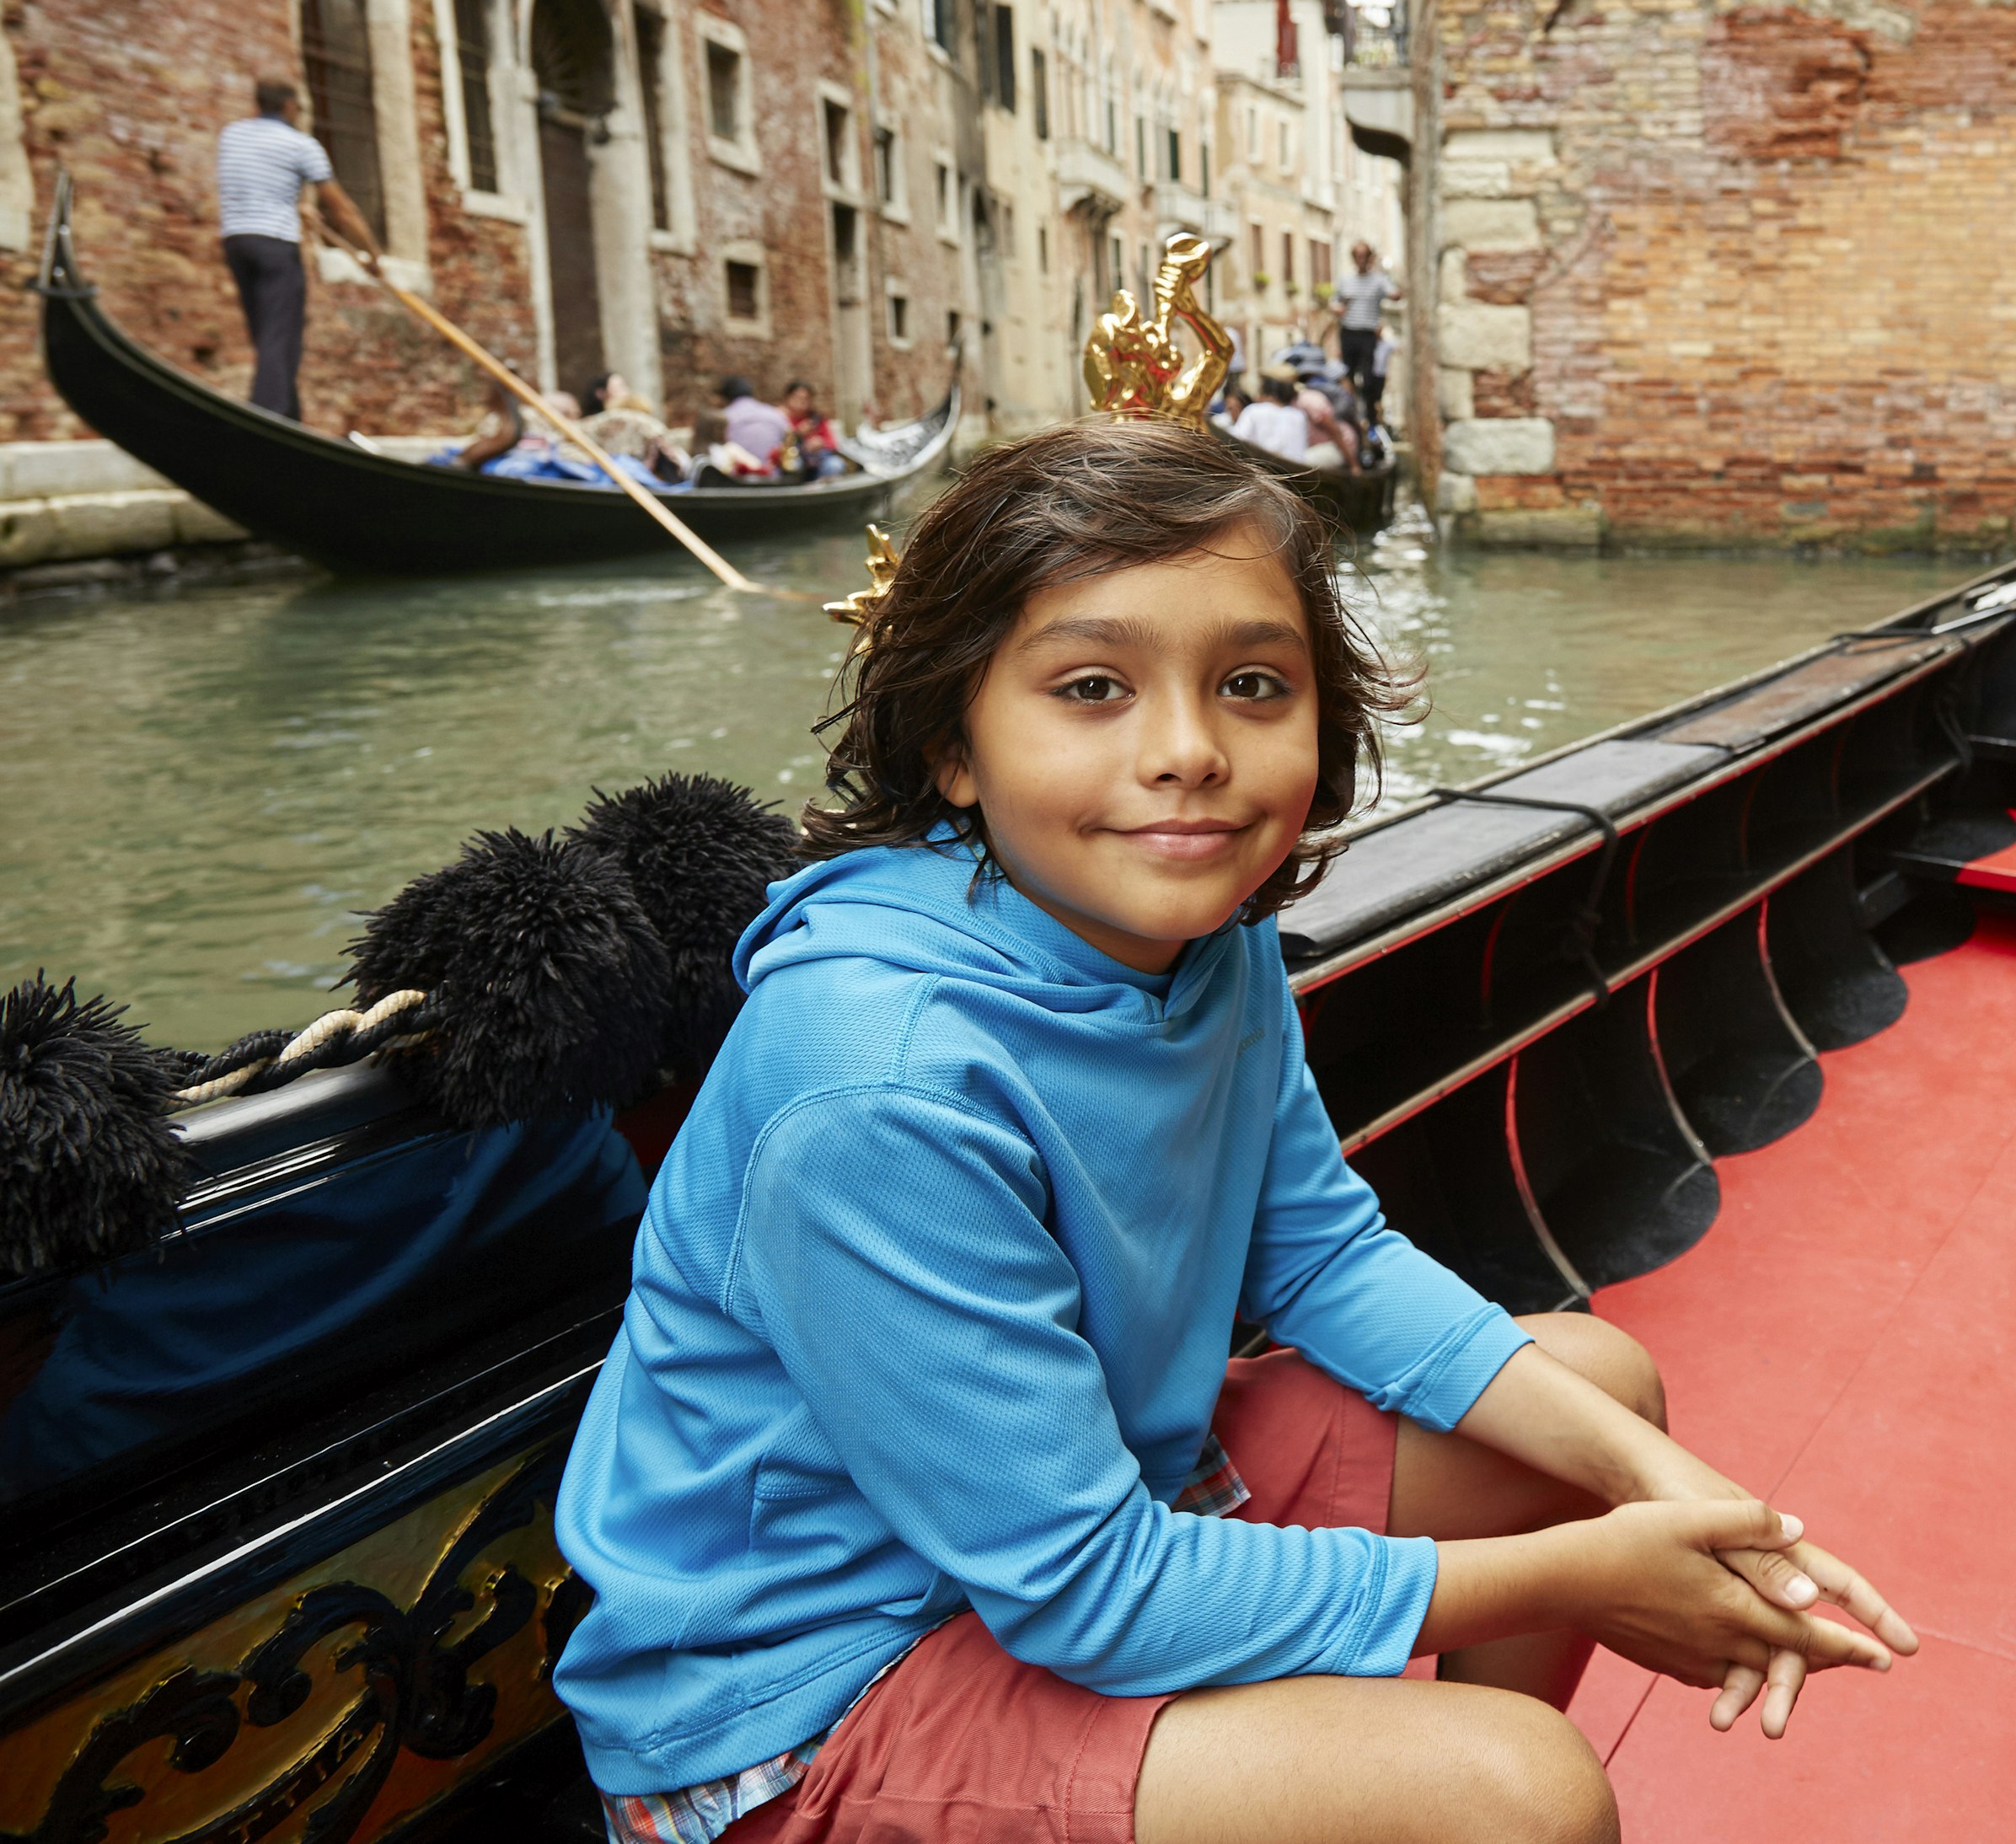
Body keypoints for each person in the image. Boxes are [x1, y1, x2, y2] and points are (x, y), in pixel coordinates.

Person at [551, 421, 1916, 1844]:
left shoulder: (1200, 931)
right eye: (1094, 688)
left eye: (1252, 685)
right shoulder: (877, 1090)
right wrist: (1586, 1573)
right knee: (1525, 1794)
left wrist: (1664, 1493)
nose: (1190, 753)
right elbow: (1089, 1590)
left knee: (1602, 1395)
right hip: (807, 1701)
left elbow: (1320, 1256)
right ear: (957, 744)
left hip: (1089, 1507)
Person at [217, 78, 380, 426]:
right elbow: (342, 210)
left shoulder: (232, 136)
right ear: (289, 106)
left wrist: (297, 207)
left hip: (237, 242)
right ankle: (267, 421)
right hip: (276, 245)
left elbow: (257, 186)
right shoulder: (300, 145)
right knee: (280, 336)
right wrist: (372, 254)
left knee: (267, 334)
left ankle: (290, 419)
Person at [1332, 242, 1397, 424]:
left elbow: (1394, 293)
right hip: (1348, 332)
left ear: (1369, 258)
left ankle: (1371, 415)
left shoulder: (1379, 280)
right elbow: (1334, 302)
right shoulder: (1345, 280)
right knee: (1347, 375)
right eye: (1357, 257)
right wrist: (1337, 309)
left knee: (1368, 377)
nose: (1361, 261)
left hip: (1368, 334)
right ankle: (1349, 414)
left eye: (1364, 256)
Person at [700, 375, 791, 485]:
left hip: (734, 483)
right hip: (774, 481)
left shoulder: (724, 417)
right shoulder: (776, 415)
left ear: (725, 397)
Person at [1231, 369, 1316, 466]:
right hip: (1296, 475)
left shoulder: (1254, 411)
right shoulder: (1299, 416)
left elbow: (1235, 443)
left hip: (1265, 473)